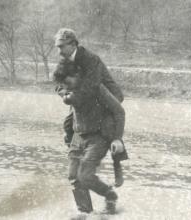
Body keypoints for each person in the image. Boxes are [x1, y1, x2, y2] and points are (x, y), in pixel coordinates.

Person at [54, 28, 128, 186]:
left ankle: (117, 163)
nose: (59, 51)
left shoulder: (90, 59)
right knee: (69, 124)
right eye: (57, 47)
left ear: (73, 44)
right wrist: (64, 94)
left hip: (107, 95)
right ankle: (76, 150)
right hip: (82, 96)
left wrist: (71, 98)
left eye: (61, 47)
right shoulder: (66, 59)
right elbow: (59, 81)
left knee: (109, 126)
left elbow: (92, 86)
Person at [53, 60, 128, 214]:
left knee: (85, 176)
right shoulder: (69, 88)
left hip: (99, 137)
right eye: (64, 84)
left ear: (77, 75)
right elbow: (61, 89)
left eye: (68, 83)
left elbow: (119, 112)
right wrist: (64, 93)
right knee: (73, 177)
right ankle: (85, 213)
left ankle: (109, 194)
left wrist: (117, 138)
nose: (67, 88)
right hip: (78, 135)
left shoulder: (96, 88)